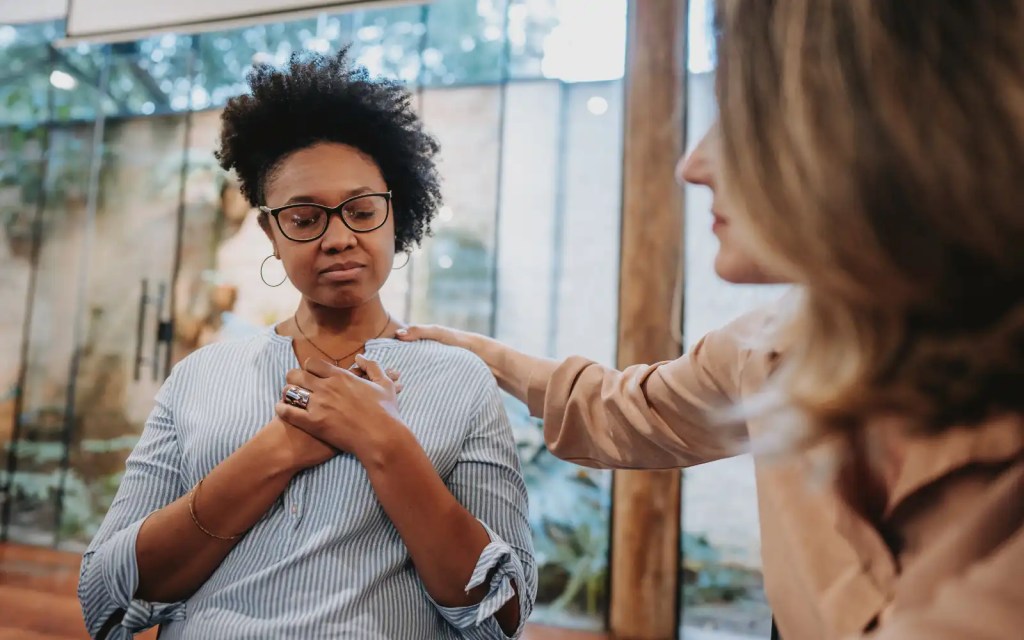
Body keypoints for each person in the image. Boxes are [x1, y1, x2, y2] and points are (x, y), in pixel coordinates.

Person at [401, 1, 1024, 638]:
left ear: (884, 135)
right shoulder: (767, 348)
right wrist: (478, 354)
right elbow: (626, 410)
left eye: (742, 121)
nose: (691, 166)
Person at [79, 50, 536, 640]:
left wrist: (383, 442)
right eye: (304, 219)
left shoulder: (459, 379)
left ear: (396, 215)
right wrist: (279, 449)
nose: (339, 238)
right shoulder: (201, 375)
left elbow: (503, 612)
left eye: (362, 211)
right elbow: (106, 593)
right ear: (271, 232)